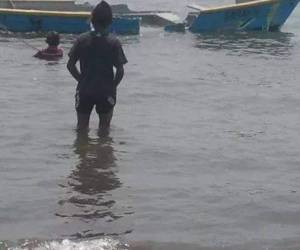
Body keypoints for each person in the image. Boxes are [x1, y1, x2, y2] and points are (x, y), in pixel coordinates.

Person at [67, 1, 127, 132]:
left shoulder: (82, 40)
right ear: (110, 21)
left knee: (81, 128)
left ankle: (81, 150)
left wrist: (81, 80)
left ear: (92, 19)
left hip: (85, 90)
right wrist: (113, 86)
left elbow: (70, 65)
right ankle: (103, 150)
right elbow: (120, 70)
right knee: (105, 130)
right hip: (105, 91)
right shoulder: (114, 42)